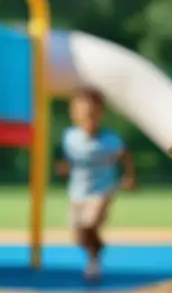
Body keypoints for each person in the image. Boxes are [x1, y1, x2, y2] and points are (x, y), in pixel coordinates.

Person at [55, 87, 136, 280]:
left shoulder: (109, 139)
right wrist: (63, 167)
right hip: (77, 191)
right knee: (78, 235)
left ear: (99, 114)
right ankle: (95, 251)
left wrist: (129, 176)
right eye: (84, 115)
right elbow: (65, 158)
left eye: (93, 114)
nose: (89, 120)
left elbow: (125, 155)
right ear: (75, 115)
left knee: (90, 223)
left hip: (103, 190)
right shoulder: (71, 137)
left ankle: (94, 259)